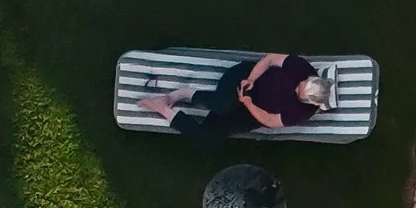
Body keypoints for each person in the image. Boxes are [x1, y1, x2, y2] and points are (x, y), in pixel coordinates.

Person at [137, 52, 331, 137]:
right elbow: (271, 59)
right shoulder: (302, 68)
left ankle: (164, 109)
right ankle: (183, 94)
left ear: (308, 100)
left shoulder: (303, 111)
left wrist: (248, 104)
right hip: (245, 78)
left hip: (251, 113)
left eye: (300, 92)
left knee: (207, 138)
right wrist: (252, 79)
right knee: (222, 105)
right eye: (302, 84)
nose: (297, 87)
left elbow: (271, 121)